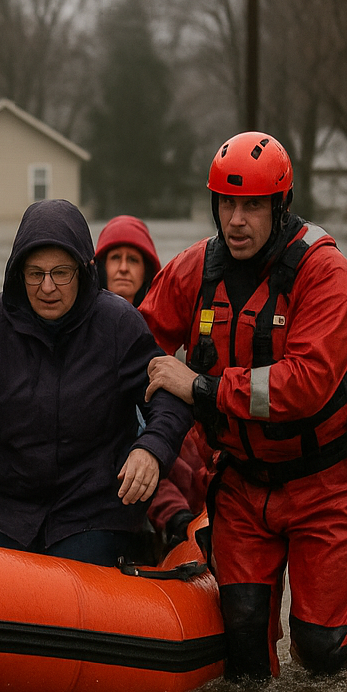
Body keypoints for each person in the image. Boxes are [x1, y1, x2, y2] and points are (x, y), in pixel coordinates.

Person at [139, 132, 347, 680]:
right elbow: (138, 343)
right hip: (244, 485)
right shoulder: (195, 271)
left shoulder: (328, 275)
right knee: (245, 649)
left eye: (252, 205)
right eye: (227, 204)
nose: (237, 220)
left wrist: (200, 388)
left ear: (280, 206)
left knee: (320, 649)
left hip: (326, 482)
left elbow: (305, 383)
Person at [0, 199, 192, 566]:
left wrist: (151, 447)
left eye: (61, 273)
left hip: (94, 515)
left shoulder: (118, 323)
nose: (47, 287)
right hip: (12, 512)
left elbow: (166, 396)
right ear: (18, 272)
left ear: (84, 270)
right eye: (35, 273)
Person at [96, 214, 206, 548]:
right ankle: (174, 517)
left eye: (133, 260)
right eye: (115, 258)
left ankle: (185, 520)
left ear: (148, 270)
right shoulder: (84, 330)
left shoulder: (165, 332)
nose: (124, 268)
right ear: (101, 268)